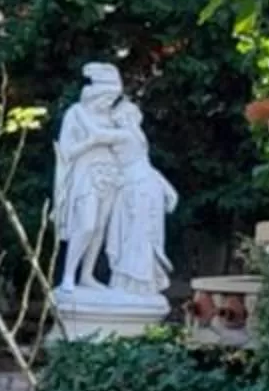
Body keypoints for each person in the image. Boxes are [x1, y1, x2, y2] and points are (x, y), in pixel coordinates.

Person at [53, 64, 176, 297]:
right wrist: (90, 144)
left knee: (100, 228)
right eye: (107, 96)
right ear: (95, 93)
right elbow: (67, 151)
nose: (110, 101)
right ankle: (69, 275)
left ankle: (86, 276)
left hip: (113, 178)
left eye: (113, 97)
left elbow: (132, 151)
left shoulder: (115, 118)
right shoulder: (76, 113)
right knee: (86, 225)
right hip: (86, 174)